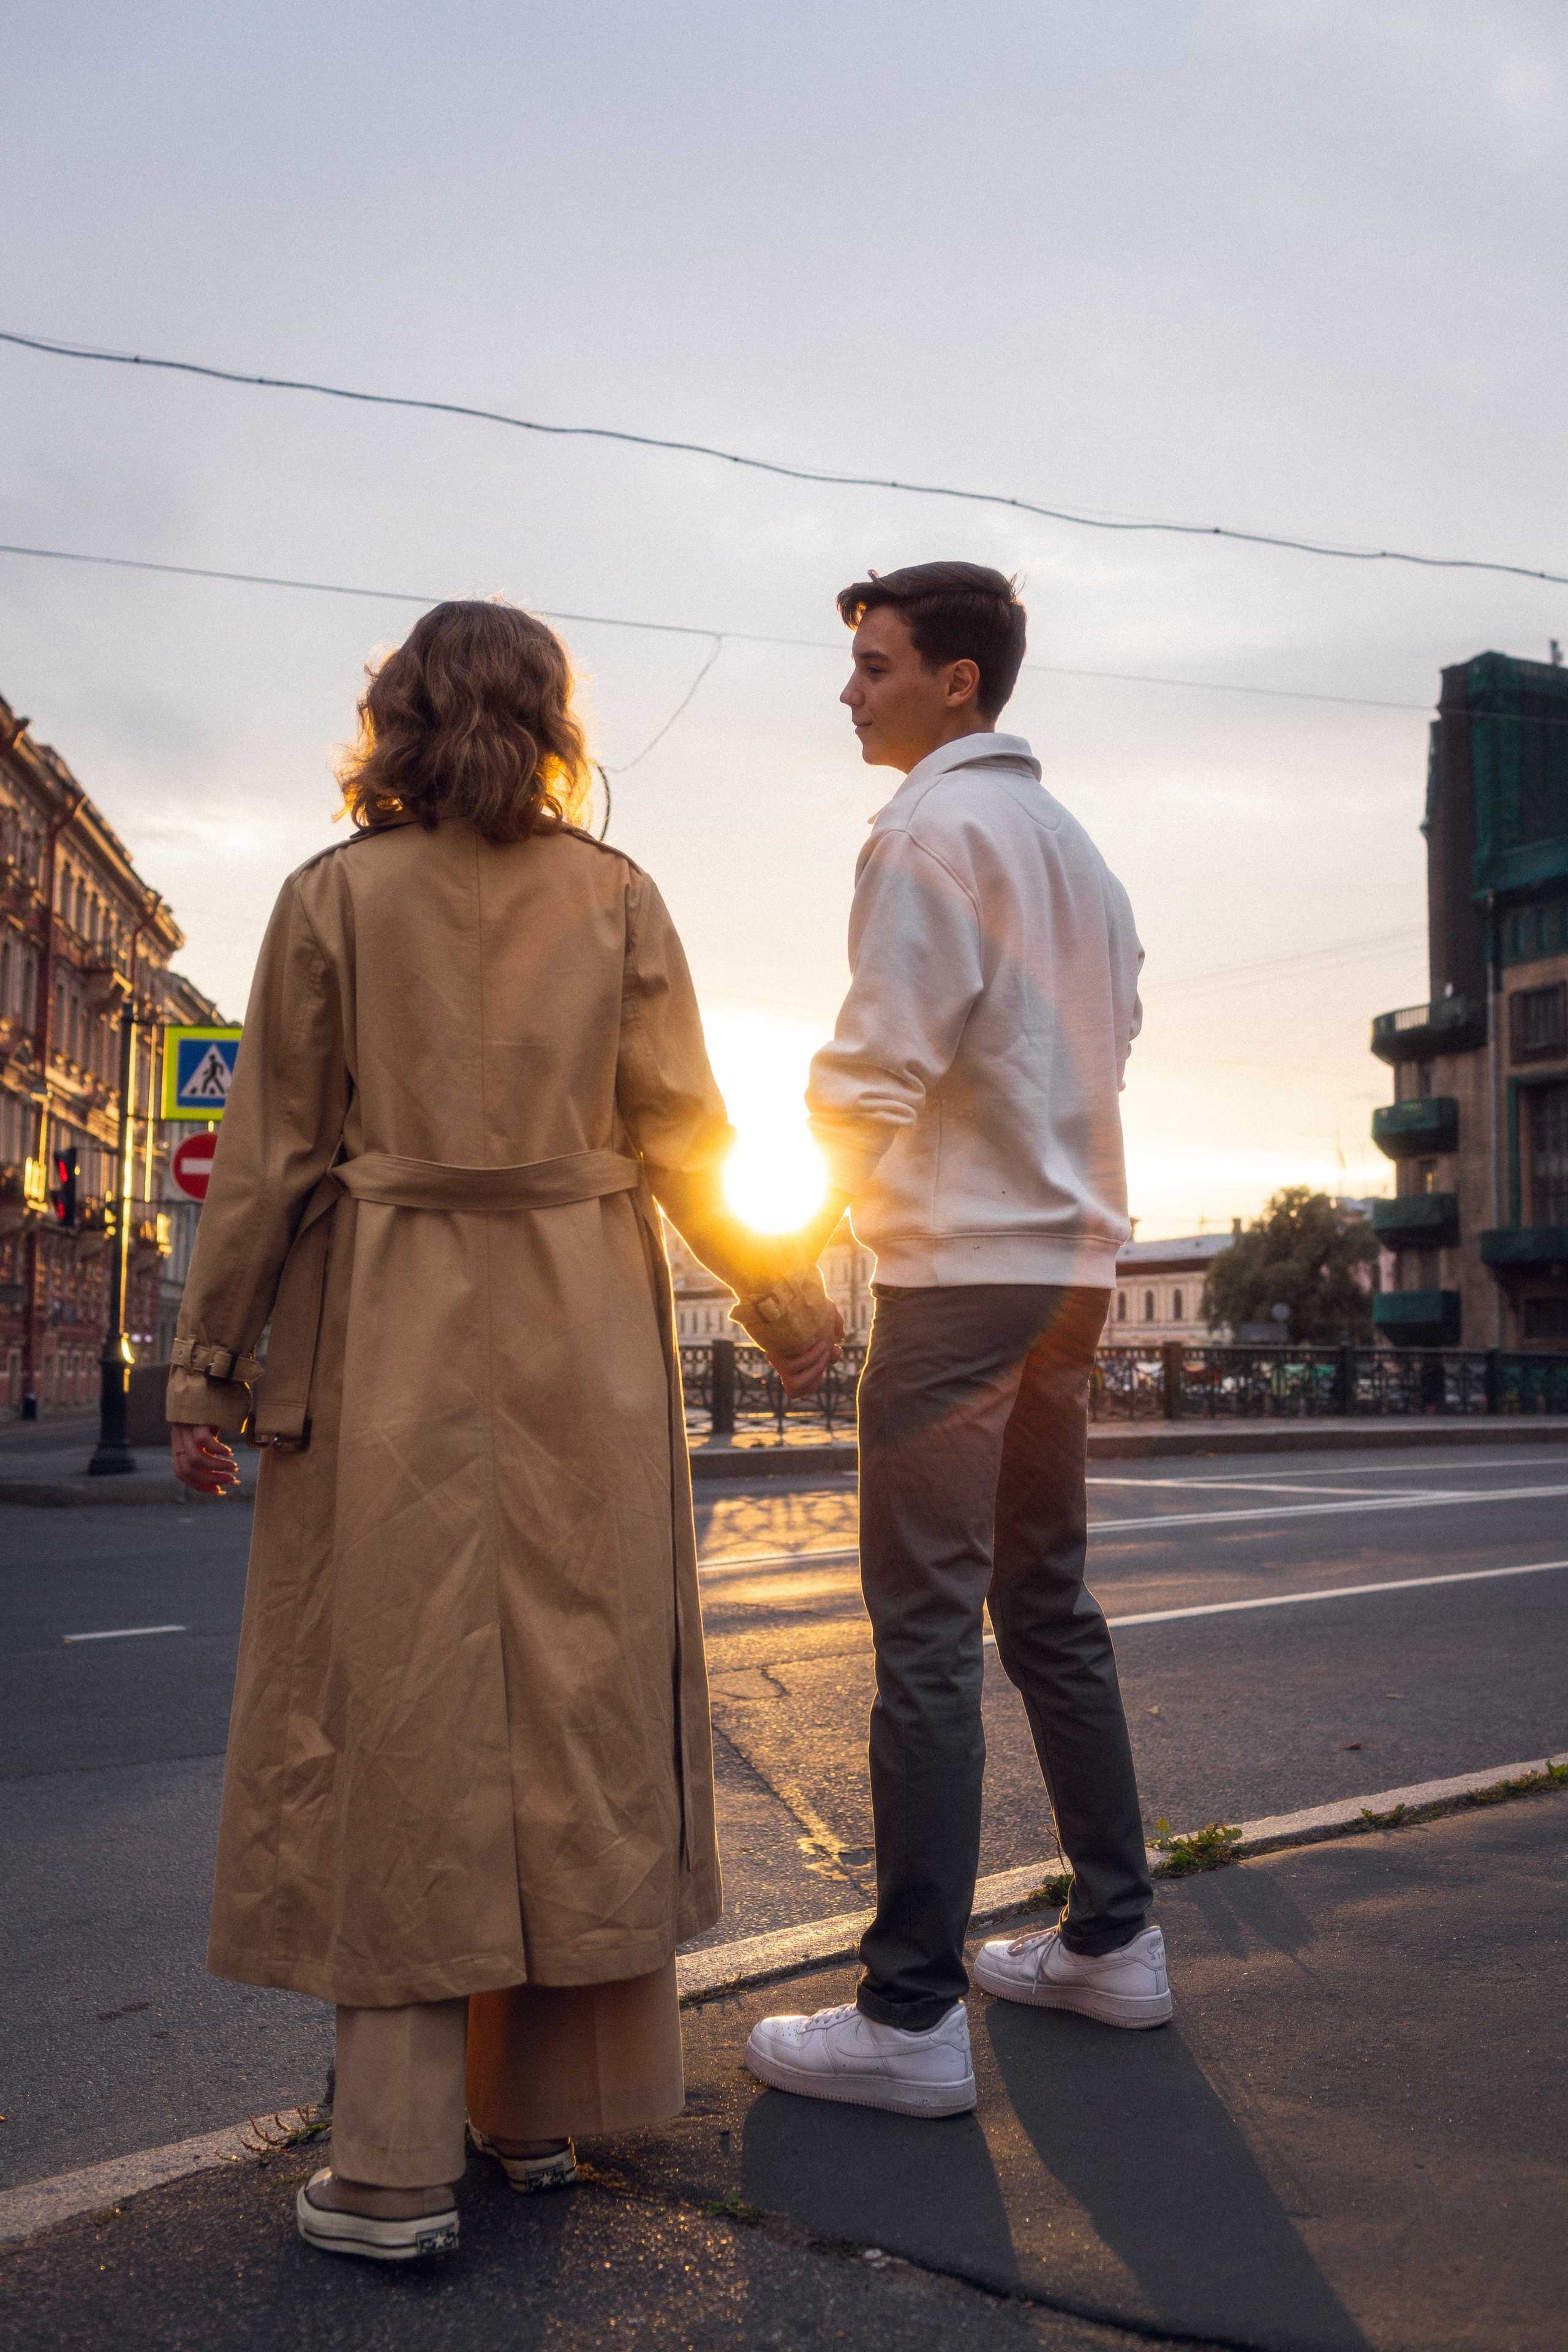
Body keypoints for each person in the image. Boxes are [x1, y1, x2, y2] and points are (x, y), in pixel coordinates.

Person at [167, 599, 837, 2261]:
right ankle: (532, 2117)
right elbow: (692, 1137)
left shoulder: (332, 895)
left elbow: (267, 1157)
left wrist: (206, 1372)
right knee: (572, 1709)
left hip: (383, 1329)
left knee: (391, 1729)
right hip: (584, 1348)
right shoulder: (617, 898)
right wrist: (785, 1299)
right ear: (553, 720)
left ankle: (391, 2167)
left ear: (391, 714)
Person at [744, 562, 1170, 2120]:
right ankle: (1113, 1939)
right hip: (1069, 1273)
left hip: (957, 1288)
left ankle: (907, 2017)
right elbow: (1110, 1035)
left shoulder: (930, 827)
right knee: (1046, 1607)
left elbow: (871, 1074)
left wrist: (789, 1252)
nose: (848, 690)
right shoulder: (1076, 849)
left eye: (872, 664)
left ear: (956, 685)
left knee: (925, 1634)